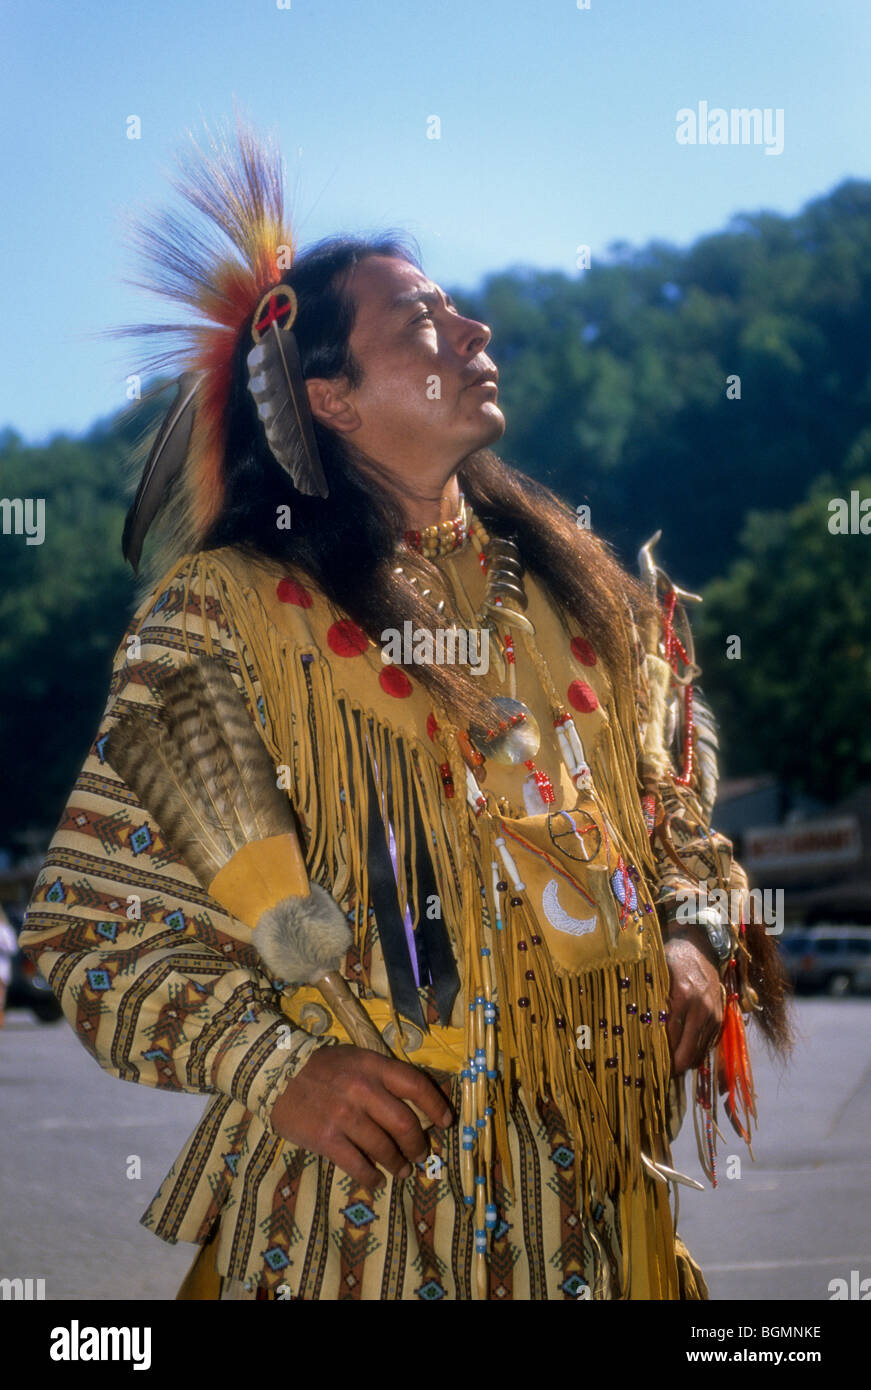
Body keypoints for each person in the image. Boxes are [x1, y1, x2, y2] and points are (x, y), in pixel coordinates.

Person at [20, 124, 790, 1301]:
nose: (476, 332)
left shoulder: (586, 600)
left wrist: (692, 936)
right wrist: (278, 1062)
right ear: (328, 396)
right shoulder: (226, 613)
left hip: (597, 1215)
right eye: (425, 321)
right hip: (362, 1221)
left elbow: (677, 819)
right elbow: (88, 922)